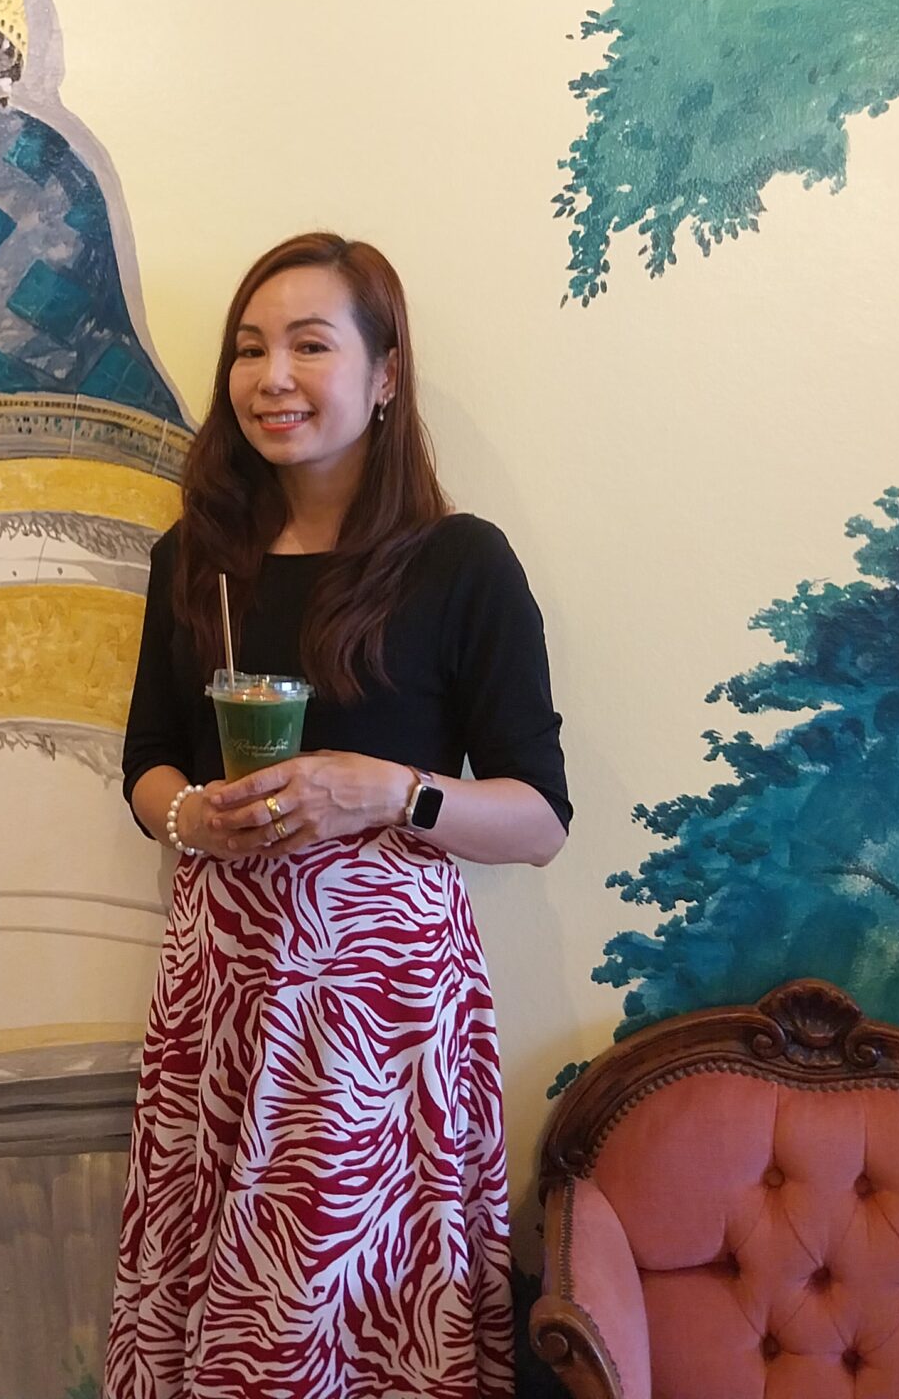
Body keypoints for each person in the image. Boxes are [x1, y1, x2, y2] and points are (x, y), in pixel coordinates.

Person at [105, 232, 571, 1399]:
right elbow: (147, 766)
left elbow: (538, 818)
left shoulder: (459, 564)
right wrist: (192, 820)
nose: (272, 378)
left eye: (310, 346)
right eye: (249, 349)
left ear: (385, 373)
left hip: (384, 1019)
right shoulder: (194, 562)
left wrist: (390, 791)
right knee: (228, 1308)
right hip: (222, 996)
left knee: (364, 1310)